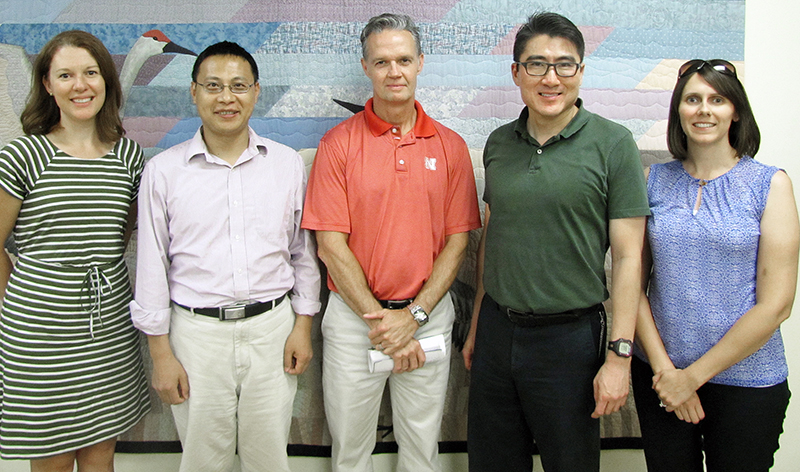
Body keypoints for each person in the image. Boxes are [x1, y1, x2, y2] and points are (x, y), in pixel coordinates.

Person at [462, 12, 651, 472]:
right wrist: (476, 328)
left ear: (581, 72)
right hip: (496, 334)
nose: (551, 78)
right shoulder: (499, 143)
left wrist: (620, 358)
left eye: (565, 65)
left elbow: (629, 258)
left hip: (569, 341)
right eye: (536, 65)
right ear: (516, 72)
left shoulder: (613, 143)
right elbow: (496, 233)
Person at [302, 13, 481, 472]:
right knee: (350, 451)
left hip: (428, 318)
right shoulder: (337, 145)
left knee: (422, 449)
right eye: (382, 62)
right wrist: (384, 322)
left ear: (421, 62)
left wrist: (413, 317)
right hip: (354, 322)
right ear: (366, 67)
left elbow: (457, 244)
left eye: (403, 59)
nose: (394, 71)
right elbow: (330, 245)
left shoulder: (451, 146)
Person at [130, 41, 320, 472]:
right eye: (213, 85)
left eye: (238, 85)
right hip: (196, 336)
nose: (226, 97)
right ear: (193, 93)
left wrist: (302, 326)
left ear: (256, 92)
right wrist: (161, 356)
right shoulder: (164, 171)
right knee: (202, 460)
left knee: (269, 458)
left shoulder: (287, 164)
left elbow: (302, 254)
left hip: (273, 330)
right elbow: (152, 267)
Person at [631, 59, 798, 472]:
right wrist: (668, 372)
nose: (704, 109)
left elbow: (776, 305)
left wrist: (692, 378)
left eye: (717, 99)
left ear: (735, 110)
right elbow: (630, 281)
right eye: (692, 99)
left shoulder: (769, 184)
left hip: (747, 385)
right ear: (678, 111)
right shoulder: (653, 181)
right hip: (660, 378)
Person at [0, 30, 150, 470]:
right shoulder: (24, 155)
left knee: (102, 450)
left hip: (106, 325)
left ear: (107, 80)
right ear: (47, 85)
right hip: (39, 329)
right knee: (52, 456)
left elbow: (125, 233)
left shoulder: (128, 156)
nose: (80, 85)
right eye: (65, 75)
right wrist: (15, 306)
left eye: (90, 72)